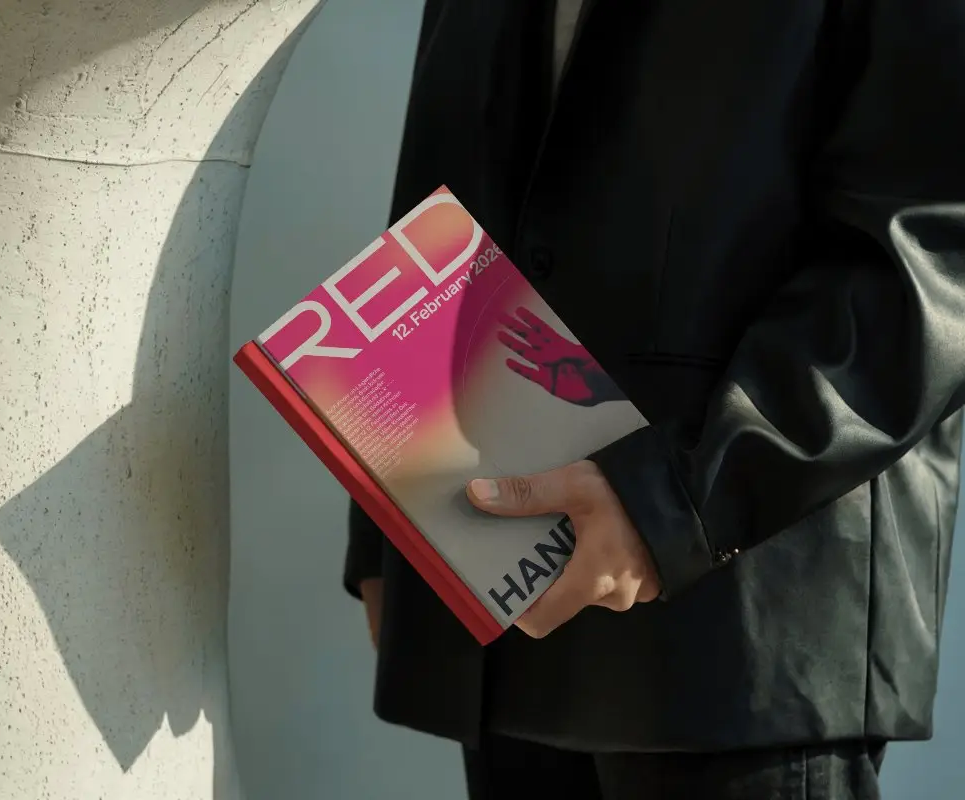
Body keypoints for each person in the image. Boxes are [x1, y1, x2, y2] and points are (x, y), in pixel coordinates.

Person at [345, 1, 965, 798]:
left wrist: (681, 496)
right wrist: (387, 518)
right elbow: (444, 176)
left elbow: (934, 241)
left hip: (744, 621)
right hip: (500, 578)